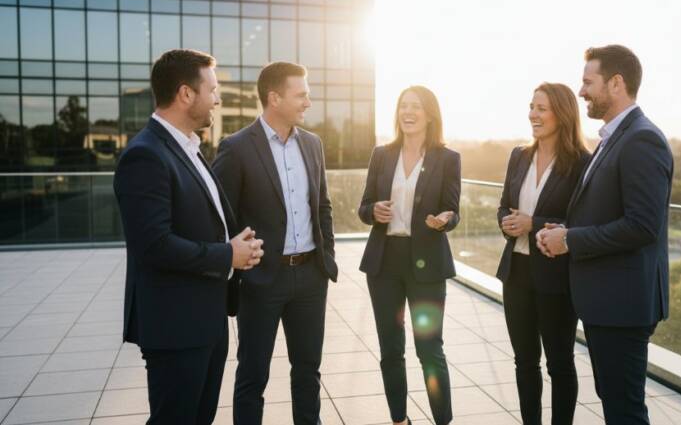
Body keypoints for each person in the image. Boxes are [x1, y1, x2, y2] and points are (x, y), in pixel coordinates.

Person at [113, 48, 264, 425]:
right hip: (176, 328)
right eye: (212, 90)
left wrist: (237, 244)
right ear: (185, 94)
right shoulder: (145, 155)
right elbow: (154, 246)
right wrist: (227, 255)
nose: (217, 99)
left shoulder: (189, 148)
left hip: (206, 321)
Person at [537, 45, 673, 424]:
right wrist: (566, 230)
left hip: (623, 306)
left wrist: (571, 240)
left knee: (625, 412)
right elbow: (606, 210)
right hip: (608, 303)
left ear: (616, 83)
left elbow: (642, 226)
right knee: (616, 405)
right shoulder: (614, 137)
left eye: (587, 82)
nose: (581, 91)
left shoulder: (642, 139)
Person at [212, 62, 338, 425]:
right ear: (274, 98)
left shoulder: (312, 144)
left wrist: (326, 258)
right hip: (261, 280)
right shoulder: (236, 148)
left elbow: (323, 206)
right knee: (253, 376)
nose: (308, 103)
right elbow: (219, 216)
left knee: (308, 371)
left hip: (310, 277)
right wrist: (236, 263)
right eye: (301, 95)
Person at [357, 86, 461, 425]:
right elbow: (363, 207)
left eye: (416, 106)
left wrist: (445, 219)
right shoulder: (382, 155)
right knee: (391, 350)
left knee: (429, 349)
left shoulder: (448, 158)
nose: (408, 112)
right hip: (384, 263)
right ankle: (399, 420)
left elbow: (453, 211)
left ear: (430, 114)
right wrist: (374, 211)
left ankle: (443, 421)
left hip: (427, 264)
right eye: (403, 105)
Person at [497, 83, 590, 424]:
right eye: (531, 107)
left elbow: (581, 221)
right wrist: (507, 222)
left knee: (559, 363)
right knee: (524, 362)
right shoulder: (519, 156)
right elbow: (504, 205)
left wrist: (532, 224)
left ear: (561, 114)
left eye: (541, 108)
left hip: (556, 277)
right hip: (516, 273)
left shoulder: (582, 163)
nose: (533, 115)